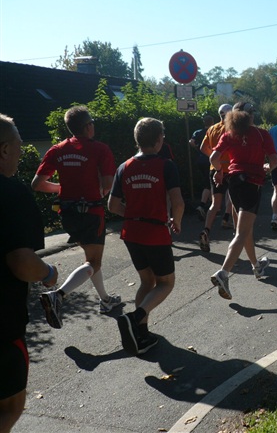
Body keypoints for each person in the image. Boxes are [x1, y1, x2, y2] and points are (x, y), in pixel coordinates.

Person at [32, 106, 120, 329]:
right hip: (91, 213)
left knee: (91, 259)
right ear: (88, 126)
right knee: (94, 261)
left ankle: (105, 300)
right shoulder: (100, 149)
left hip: (68, 214)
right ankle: (58, 295)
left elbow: (37, 184)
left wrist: (63, 188)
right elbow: (107, 185)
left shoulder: (57, 149)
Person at [0, 114, 59, 433]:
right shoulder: (11, 193)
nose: (22, 153)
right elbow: (21, 260)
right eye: (20, 146)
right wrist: (48, 272)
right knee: (9, 407)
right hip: (2, 327)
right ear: (4, 149)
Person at [108, 118, 184, 355]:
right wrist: (176, 221)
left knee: (146, 281)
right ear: (159, 140)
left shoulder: (124, 167)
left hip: (131, 232)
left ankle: (140, 333)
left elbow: (112, 205)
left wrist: (133, 215)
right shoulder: (166, 165)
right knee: (166, 283)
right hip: (155, 233)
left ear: (137, 140)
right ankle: (135, 318)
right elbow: (178, 202)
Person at [209, 102, 277, 300]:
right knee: (241, 232)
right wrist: (268, 168)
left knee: (244, 229)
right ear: (250, 116)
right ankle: (223, 273)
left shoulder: (229, 134)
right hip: (251, 183)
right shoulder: (261, 134)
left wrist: (219, 171)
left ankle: (256, 265)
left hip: (234, 183)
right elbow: (274, 161)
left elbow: (213, 158)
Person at [199, 104, 235, 252]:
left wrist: (215, 158)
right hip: (231, 169)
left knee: (215, 204)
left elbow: (203, 148)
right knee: (233, 199)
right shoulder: (233, 129)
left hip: (215, 169)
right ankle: (236, 231)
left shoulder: (212, 129)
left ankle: (206, 230)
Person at [190, 115, 215, 220]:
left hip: (200, 160)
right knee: (209, 184)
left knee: (207, 181)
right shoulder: (214, 131)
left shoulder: (198, 132)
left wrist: (197, 148)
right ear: (212, 122)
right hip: (210, 159)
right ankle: (202, 205)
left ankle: (210, 204)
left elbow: (191, 142)